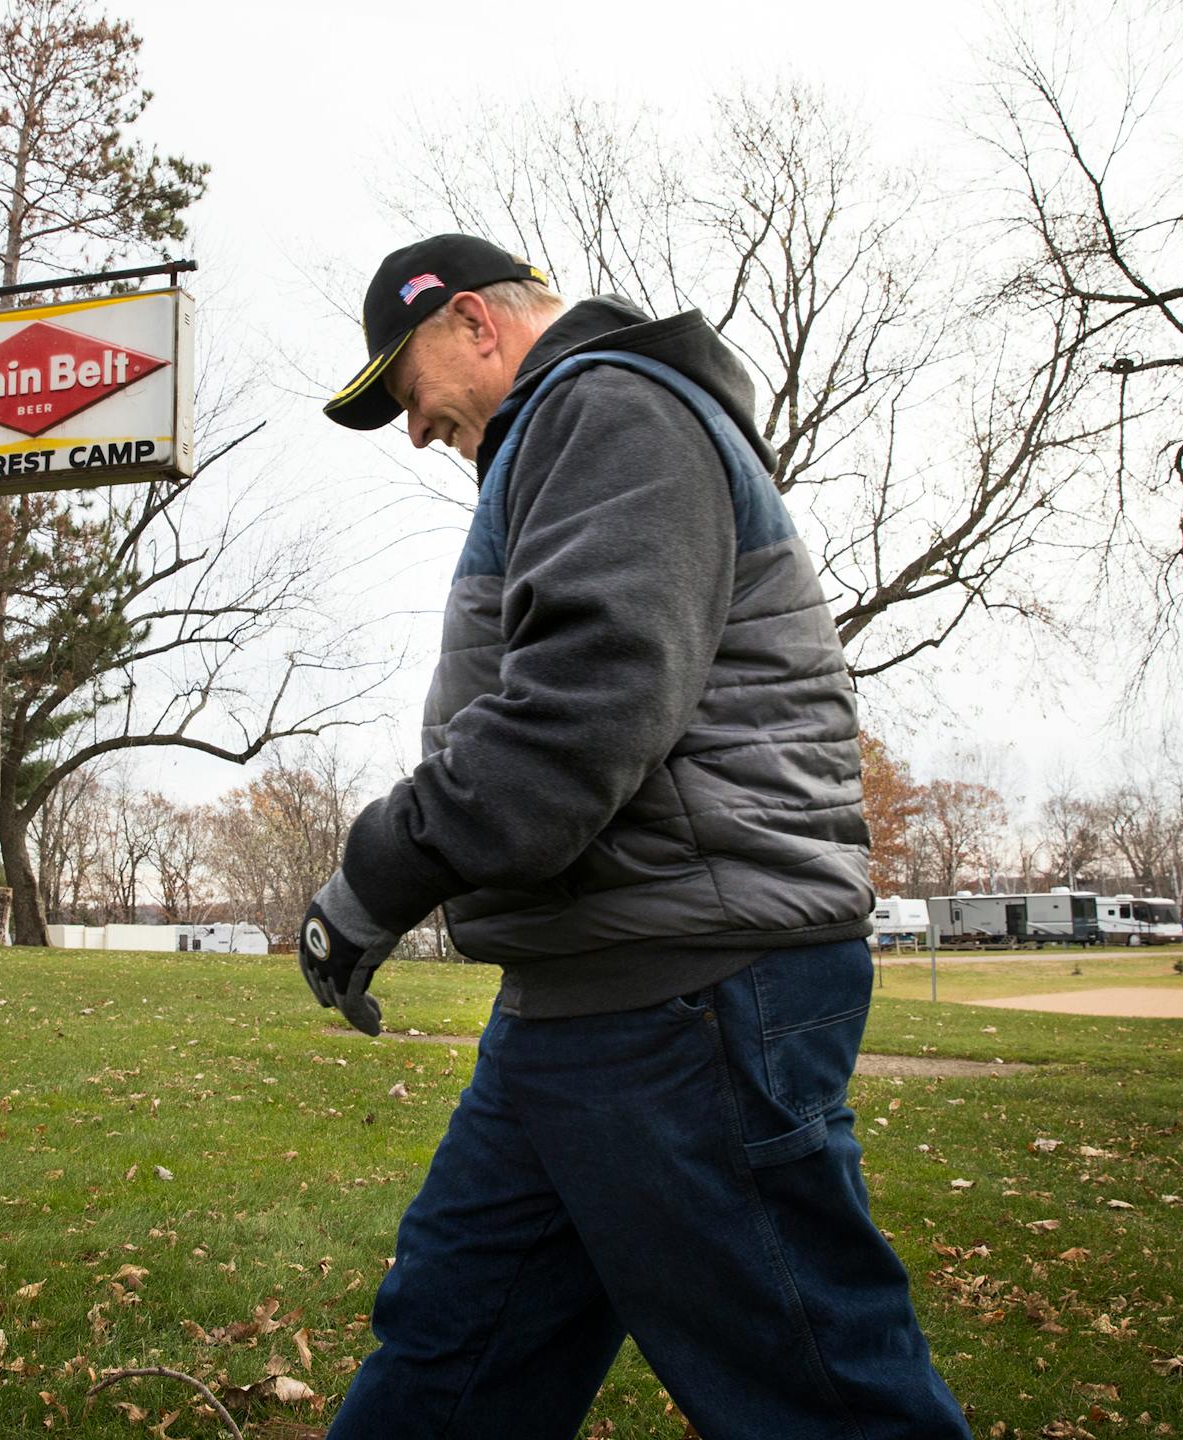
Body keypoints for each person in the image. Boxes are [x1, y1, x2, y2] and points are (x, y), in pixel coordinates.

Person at [298, 233, 971, 1440]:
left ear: (475, 324)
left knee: (817, 1392)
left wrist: (373, 876)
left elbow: (576, 723)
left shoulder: (605, 409)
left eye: (409, 391)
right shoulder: (582, 426)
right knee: (454, 1355)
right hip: (591, 992)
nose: (413, 430)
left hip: (685, 991)